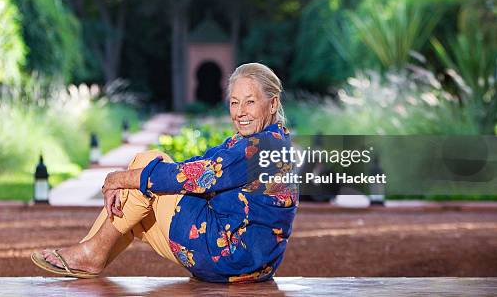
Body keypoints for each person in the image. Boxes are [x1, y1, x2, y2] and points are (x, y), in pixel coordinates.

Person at [31, 62, 298, 283]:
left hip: (227, 256)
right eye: (234, 103)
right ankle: (90, 253)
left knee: (144, 169)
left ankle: (90, 253)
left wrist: (118, 178)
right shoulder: (273, 142)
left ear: (272, 104)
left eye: (250, 102)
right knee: (140, 193)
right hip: (252, 266)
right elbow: (203, 162)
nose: (240, 113)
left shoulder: (259, 148)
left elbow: (196, 175)